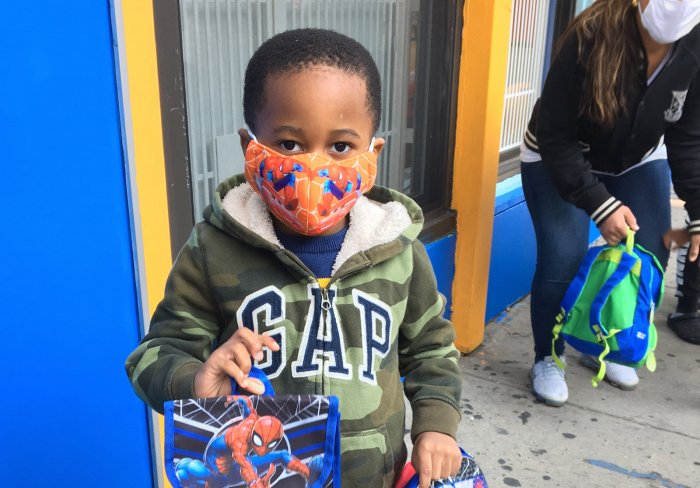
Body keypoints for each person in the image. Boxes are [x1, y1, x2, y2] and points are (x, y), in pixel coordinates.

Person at [125, 28, 462, 487]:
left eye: (341, 146)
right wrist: (194, 383)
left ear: (372, 152)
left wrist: (437, 424)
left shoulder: (399, 252)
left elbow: (431, 348)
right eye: (289, 144)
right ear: (250, 147)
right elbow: (155, 353)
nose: (315, 168)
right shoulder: (213, 249)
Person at [520, 0, 700, 406]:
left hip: (637, 156)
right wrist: (599, 205)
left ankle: (604, 342)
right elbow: (556, 137)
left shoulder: (695, 43)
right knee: (562, 258)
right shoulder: (589, 36)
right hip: (559, 154)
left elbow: (688, 132)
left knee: (650, 250)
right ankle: (547, 356)